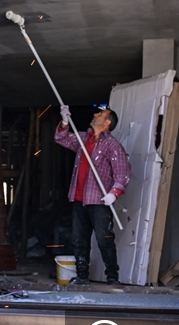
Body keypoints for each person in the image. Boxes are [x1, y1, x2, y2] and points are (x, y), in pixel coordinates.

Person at [54, 105, 130, 285]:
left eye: (100, 114)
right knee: (79, 240)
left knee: (104, 240)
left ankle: (112, 277)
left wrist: (113, 194)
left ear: (107, 123)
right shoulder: (82, 139)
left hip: (99, 200)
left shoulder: (113, 146)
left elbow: (122, 174)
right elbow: (61, 138)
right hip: (79, 199)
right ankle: (82, 276)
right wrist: (64, 122)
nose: (95, 114)